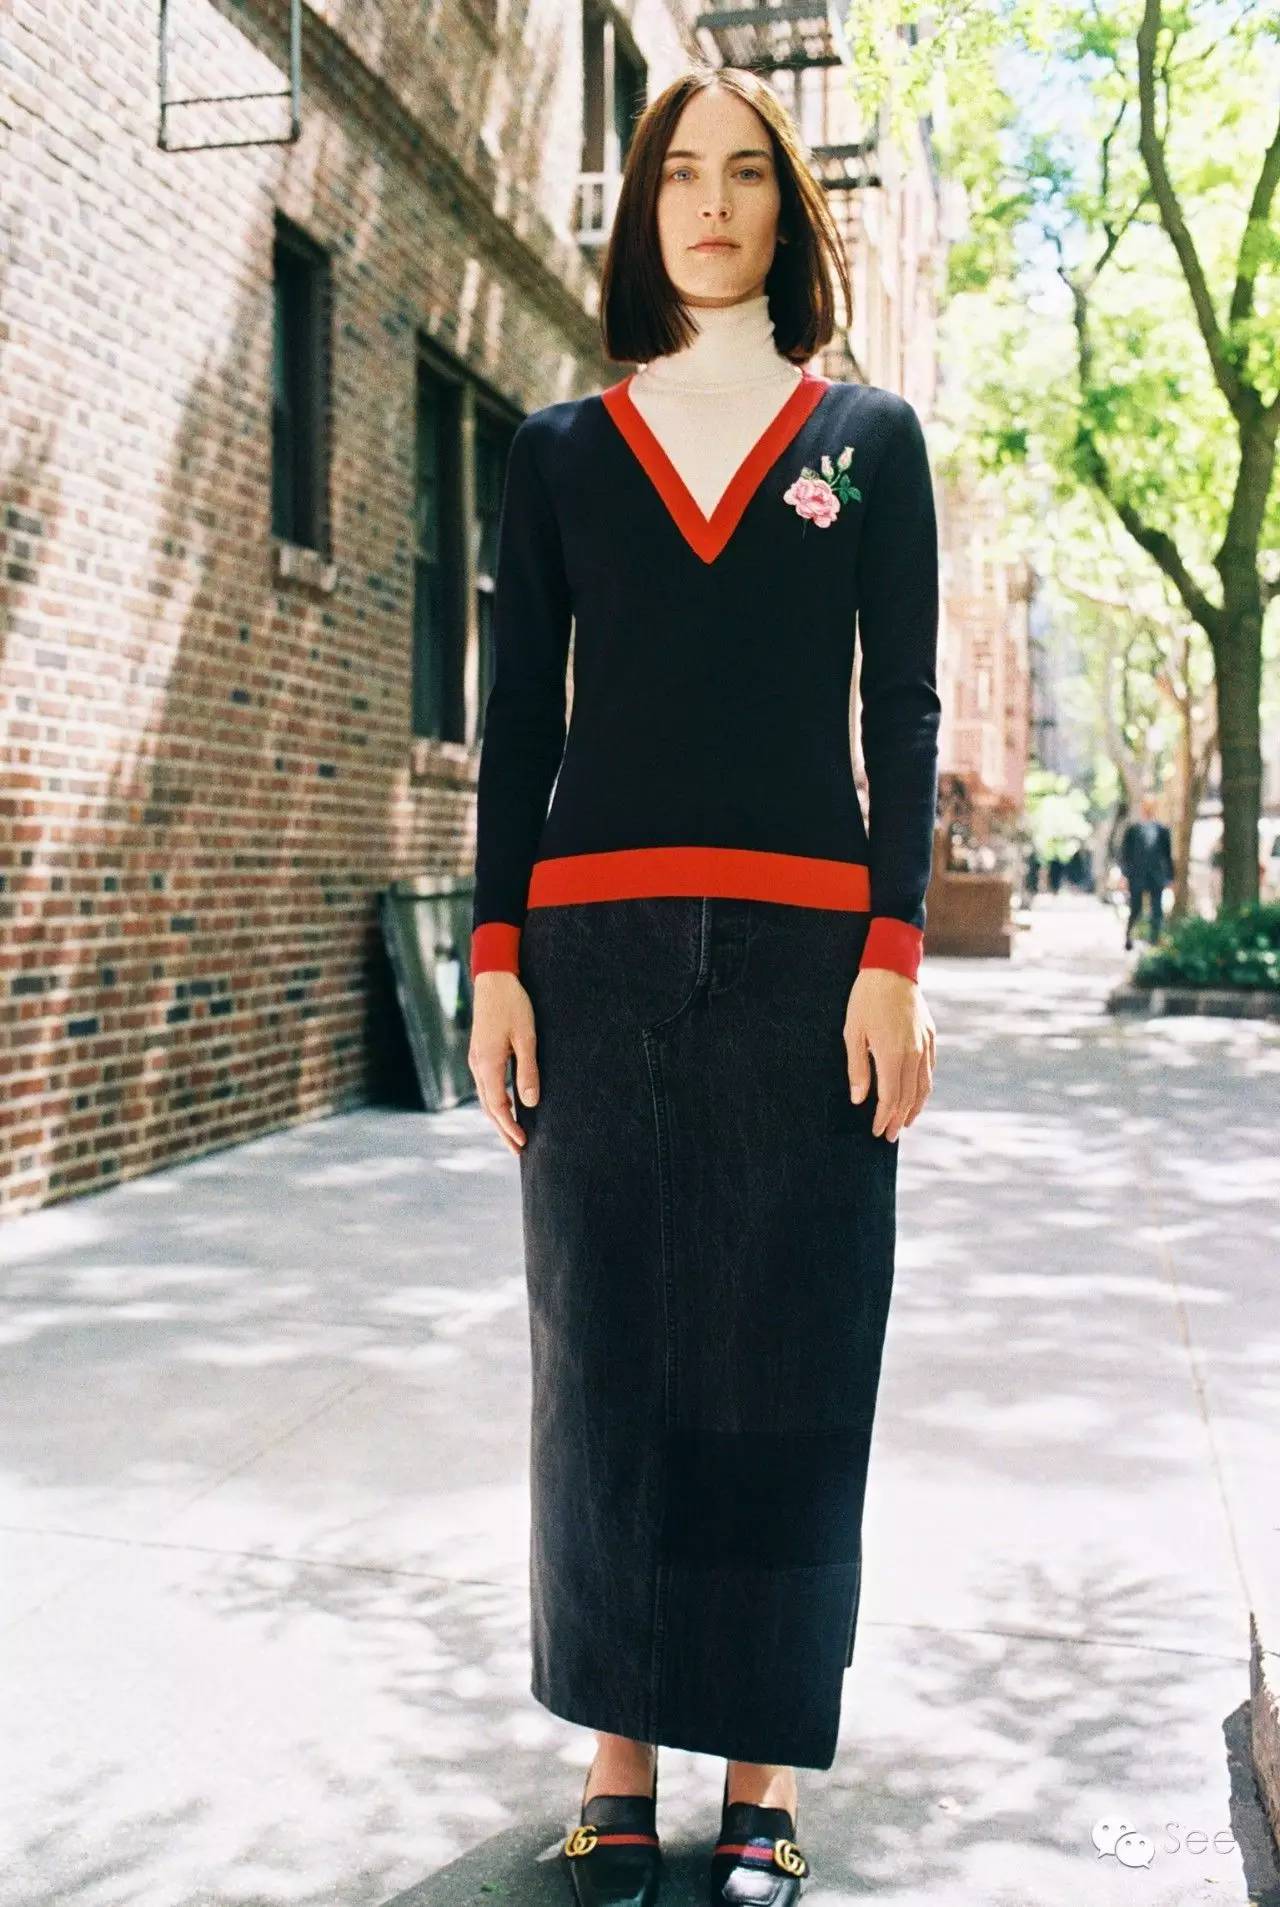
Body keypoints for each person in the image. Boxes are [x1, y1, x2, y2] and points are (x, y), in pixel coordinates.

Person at [468, 66, 939, 1907]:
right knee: (601, 1353)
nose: (714, 199)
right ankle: (616, 1756)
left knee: (785, 1352)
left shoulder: (868, 442)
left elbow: (902, 710)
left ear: (787, 213)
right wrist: (496, 962)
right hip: (590, 958)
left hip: (807, 964)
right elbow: (518, 724)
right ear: (643, 207)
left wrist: (893, 954)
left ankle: (759, 1771)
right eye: (683, 171)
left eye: (750, 171)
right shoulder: (558, 452)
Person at [1119, 794, 1174, 949]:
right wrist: (1124, 875)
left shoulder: (1162, 830)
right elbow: (1125, 854)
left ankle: (1154, 940)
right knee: (1135, 908)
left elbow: (1167, 855)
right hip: (1136, 876)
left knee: (1157, 909)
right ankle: (1129, 936)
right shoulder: (1133, 830)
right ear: (1143, 807)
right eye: (1146, 805)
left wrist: (1170, 877)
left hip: (1156, 876)